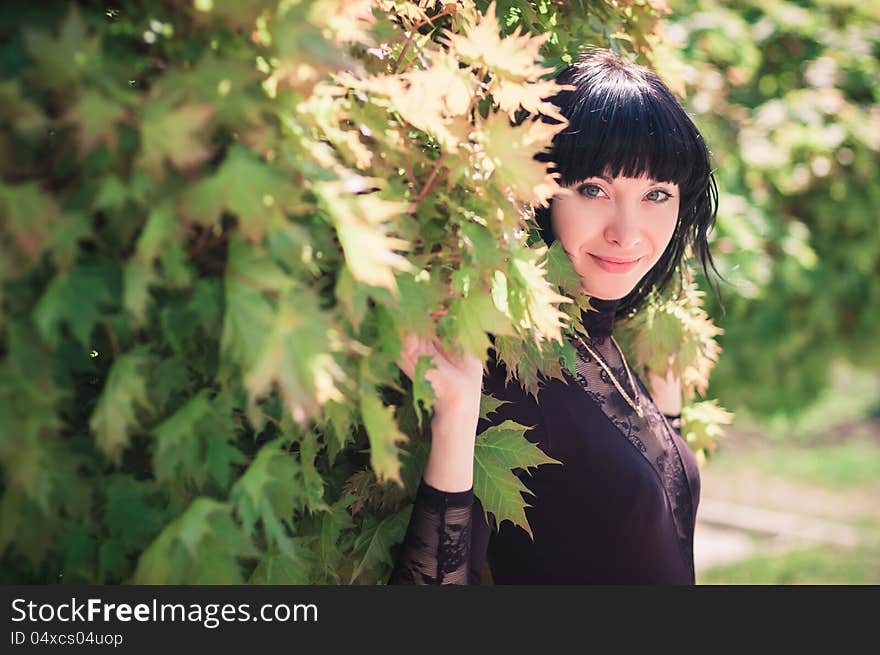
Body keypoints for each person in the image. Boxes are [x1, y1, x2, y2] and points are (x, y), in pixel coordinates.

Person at [388, 47, 722, 585]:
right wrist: (455, 418)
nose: (628, 231)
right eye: (594, 189)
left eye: (657, 193)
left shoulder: (599, 346)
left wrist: (668, 415)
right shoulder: (511, 375)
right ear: (541, 194)